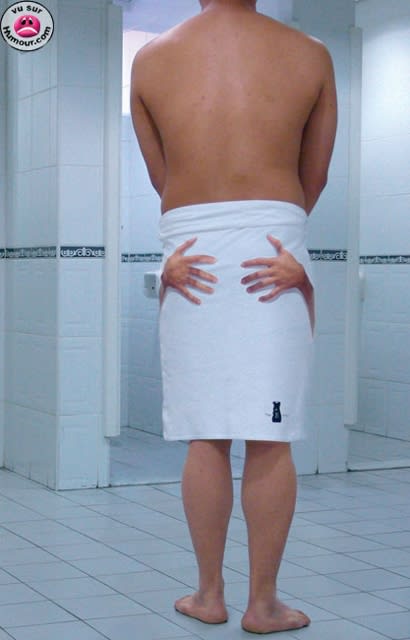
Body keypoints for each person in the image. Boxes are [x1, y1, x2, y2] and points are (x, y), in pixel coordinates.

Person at [130, 0, 337, 634]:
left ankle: (209, 594)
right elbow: (314, 176)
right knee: (271, 436)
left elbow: (162, 179)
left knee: (206, 433)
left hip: (189, 254)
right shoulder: (310, 54)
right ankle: (263, 604)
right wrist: (274, 228)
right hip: (273, 251)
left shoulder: (150, 59)